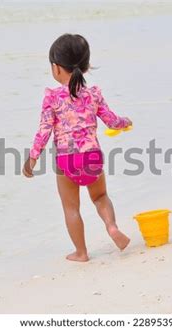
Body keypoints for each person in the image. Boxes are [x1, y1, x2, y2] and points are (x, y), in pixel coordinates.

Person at [23, 34, 132, 262]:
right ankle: (111, 227)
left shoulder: (52, 97)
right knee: (101, 196)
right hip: (92, 157)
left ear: (56, 68)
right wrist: (125, 122)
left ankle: (81, 253)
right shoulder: (93, 94)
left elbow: (44, 131)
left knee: (71, 208)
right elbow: (112, 121)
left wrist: (32, 158)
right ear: (85, 65)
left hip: (67, 161)